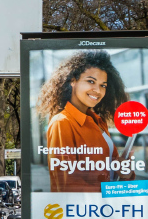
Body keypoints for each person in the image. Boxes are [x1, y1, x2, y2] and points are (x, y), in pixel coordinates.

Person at [36, 50, 131, 192]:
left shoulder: (98, 122)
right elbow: (67, 184)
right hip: (81, 210)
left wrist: (125, 172)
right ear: (73, 80)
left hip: (105, 208)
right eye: (91, 81)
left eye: (103, 85)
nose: (97, 90)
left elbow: (114, 170)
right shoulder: (62, 123)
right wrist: (108, 190)